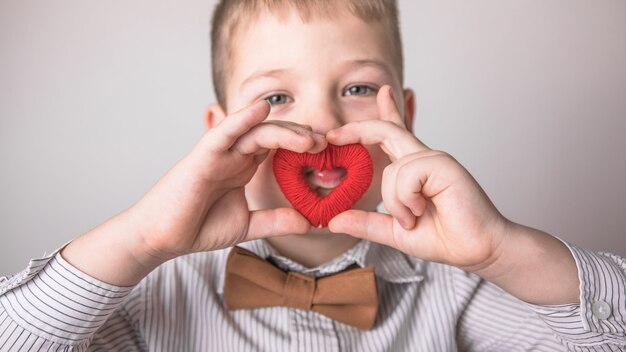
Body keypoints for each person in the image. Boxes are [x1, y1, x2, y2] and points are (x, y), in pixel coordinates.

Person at [1, 0, 624, 351]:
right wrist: (139, 241)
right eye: (276, 98)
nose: (321, 122)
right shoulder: (151, 298)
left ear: (403, 117)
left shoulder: (460, 292)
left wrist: (502, 250)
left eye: (356, 87)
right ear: (219, 133)